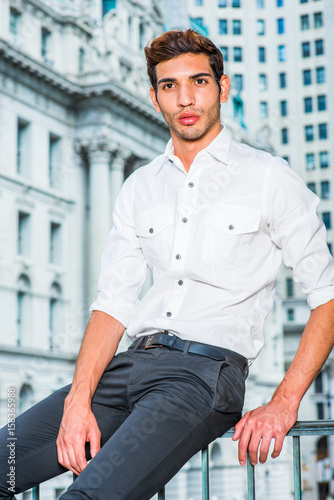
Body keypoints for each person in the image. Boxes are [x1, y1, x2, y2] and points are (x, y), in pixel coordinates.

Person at [1, 29, 334, 500]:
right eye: (169, 86)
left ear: (223, 87)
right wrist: (78, 400)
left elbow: (328, 296)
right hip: (126, 366)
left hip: (202, 377)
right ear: (155, 98)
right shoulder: (140, 185)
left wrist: (284, 401)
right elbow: (112, 303)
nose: (185, 98)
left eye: (198, 81)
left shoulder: (269, 177)